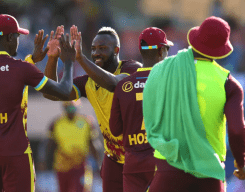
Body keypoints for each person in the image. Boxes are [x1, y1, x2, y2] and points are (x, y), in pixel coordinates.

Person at [0, 14, 76, 192]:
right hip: (14, 152)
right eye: (17, 37)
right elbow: (62, 91)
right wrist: (69, 62)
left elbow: (4, 76)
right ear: (10, 38)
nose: (18, 41)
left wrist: (32, 59)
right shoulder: (21, 69)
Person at [142, 16, 245, 192]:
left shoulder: (161, 71)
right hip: (209, 174)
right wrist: (241, 164)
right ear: (221, 50)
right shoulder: (228, 83)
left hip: (168, 171)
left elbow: (148, 115)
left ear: (195, 39)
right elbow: (236, 130)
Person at [44, 25, 142, 191]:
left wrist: (80, 58)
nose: (96, 52)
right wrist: (53, 58)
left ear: (117, 50)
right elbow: (52, 93)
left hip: (139, 155)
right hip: (113, 157)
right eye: (93, 48)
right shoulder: (88, 82)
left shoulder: (132, 69)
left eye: (103, 48)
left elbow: (113, 84)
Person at [109, 27, 173, 191]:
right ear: (160, 52)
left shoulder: (123, 86)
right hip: (163, 162)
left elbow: (115, 130)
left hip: (133, 165)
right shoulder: (171, 82)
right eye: (167, 49)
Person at [45, 101, 102, 192]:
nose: (71, 111)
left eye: (73, 108)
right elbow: (50, 144)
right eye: (68, 108)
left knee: (82, 189)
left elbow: (93, 143)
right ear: (64, 108)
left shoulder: (86, 122)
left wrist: (99, 164)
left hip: (81, 164)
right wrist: (46, 161)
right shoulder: (56, 123)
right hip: (62, 165)